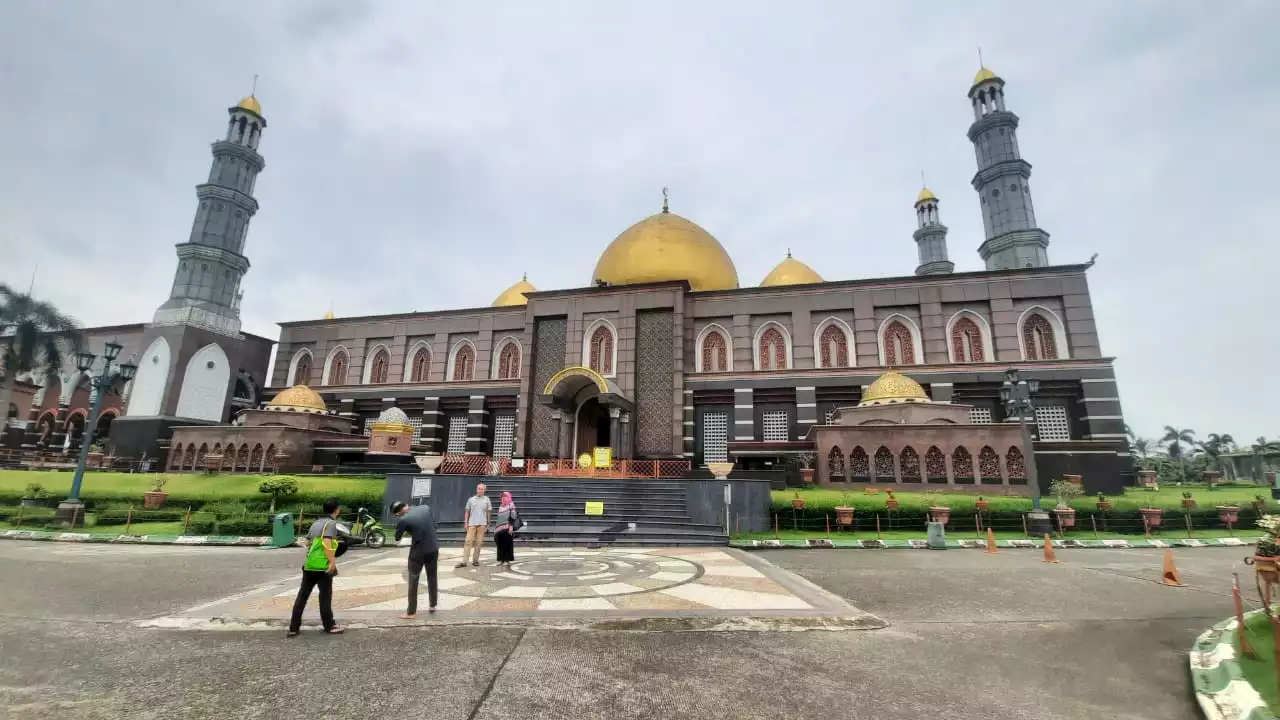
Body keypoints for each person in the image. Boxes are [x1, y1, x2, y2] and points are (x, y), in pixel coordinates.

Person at [287, 497, 344, 637]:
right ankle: (329, 626)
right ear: (337, 510)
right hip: (322, 568)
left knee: (302, 596)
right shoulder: (330, 523)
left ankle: (293, 628)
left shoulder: (316, 523)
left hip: (309, 566)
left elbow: (307, 543)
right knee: (325, 597)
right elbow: (326, 544)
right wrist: (332, 563)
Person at [391, 500, 439, 619]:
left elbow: (397, 538)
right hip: (433, 547)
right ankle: (432, 604)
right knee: (432, 576)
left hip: (418, 552)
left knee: (413, 579)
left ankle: (411, 612)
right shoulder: (425, 507)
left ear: (398, 513)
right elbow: (434, 526)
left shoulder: (403, 519)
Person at [457, 483, 491, 568]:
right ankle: (464, 561)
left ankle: (475, 560)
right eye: (479, 488)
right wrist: (466, 522)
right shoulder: (471, 499)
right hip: (472, 523)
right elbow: (467, 511)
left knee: (479, 543)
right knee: (468, 542)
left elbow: (488, 512)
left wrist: (488, 523)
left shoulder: (487, 500)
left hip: (482, 524)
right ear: (476, 489)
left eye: (482, 489)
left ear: (484, 490)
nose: (480, 490)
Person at [493, 491, 519, 569]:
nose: (504, 499)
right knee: (500, 544)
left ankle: (507, 560)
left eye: (505, 497)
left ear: (509, 498)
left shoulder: (511, 505)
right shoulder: (500, 506)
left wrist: (511, 526)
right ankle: (501, 560)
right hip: (499, 529)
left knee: (507, 544)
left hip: (508, 528)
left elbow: (513, 516)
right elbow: (499, 518)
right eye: (502, 498)